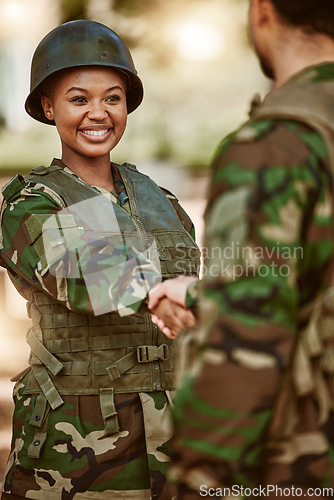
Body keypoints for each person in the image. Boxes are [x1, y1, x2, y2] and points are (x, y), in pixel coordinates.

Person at [0, 20, 200, 499]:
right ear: (49, 107)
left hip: (176, 443)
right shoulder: (32, 203)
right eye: (78, 98)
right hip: (76, 454)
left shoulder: (161, 200)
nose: (98, 113)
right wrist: (163, 291)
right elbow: (85, 275)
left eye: (112, 97)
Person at [148, 0, 334, 496]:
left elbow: (245, 344)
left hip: (306, 465)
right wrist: (203, 294)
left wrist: (201, 482)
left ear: (262, 12)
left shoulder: (276, 146)